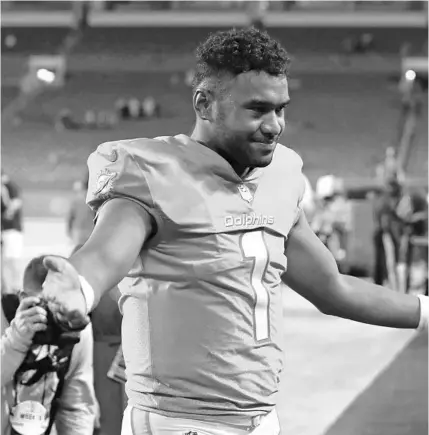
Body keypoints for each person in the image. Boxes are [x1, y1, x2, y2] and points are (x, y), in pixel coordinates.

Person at [24, 27, 428, 435]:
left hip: (261, 417)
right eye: (256, 110)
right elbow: (105, 254)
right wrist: (77, 285)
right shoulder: (152, 171)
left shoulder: (280, 176)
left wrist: (426, 310)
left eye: (280, 109)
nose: (274, 126)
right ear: (204, 104)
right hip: (182, 422)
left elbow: (333, 288)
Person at [1, 264, 97, 435]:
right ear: (23, 297)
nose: (50, 319)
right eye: (43, 306)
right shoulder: (4, 317)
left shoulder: (74, 325)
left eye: (58, 308)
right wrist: (17, 339)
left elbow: (77, 405)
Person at [1, 172, 24, 295]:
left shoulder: (9, 186)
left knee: (12, 259)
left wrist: (7, 212)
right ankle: (9, 287)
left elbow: (15, 205)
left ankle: (15, 288)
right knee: (7, 260)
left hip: (12, 230)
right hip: (7, 230)